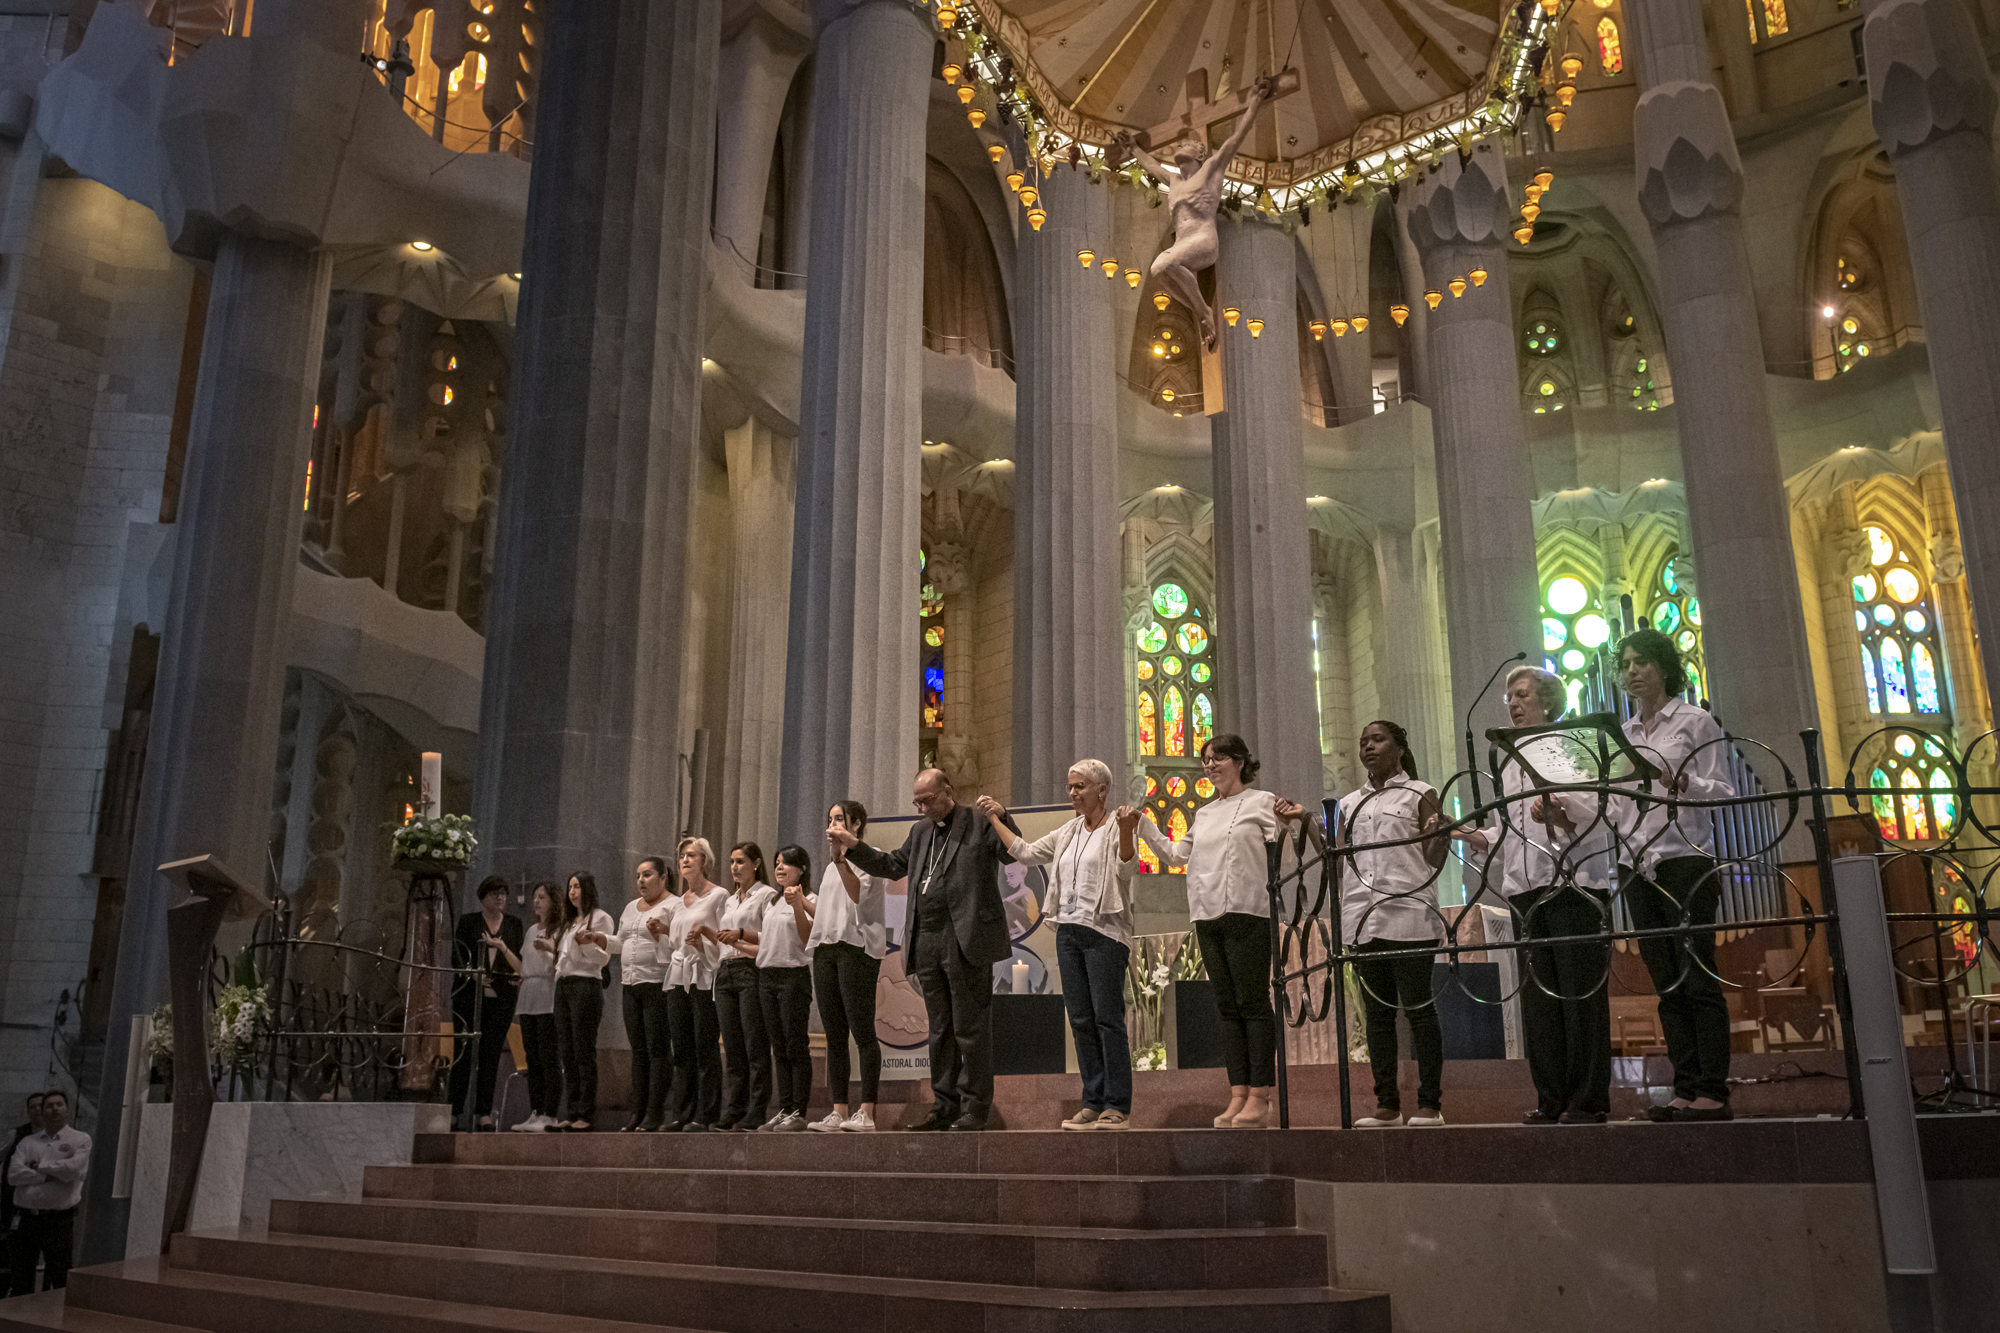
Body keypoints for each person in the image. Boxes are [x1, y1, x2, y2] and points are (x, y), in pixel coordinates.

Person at [1444, 666, 1617, 1124]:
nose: (1513, 704)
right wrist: (1475, 837)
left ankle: (1588, 1100)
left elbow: (1607, 810)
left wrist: (1561, 812)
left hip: (1574, 887)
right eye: (1509, 699)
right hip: (1527, 891)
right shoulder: (1509, 759)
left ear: (1549, 702)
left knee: (1579, 996)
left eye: (1521, 695)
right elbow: (1513, 830)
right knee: (1541, 1000)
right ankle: (1552, 1097)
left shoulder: (1570, 746)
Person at [1137, 735, 1309, 1128]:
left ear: (1240, 761)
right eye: (1206, 760)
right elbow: (1177, 855)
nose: (1211, 765)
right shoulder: (1204, 814)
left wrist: (1288, 825)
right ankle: (1237, 1094)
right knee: (1227, 1008)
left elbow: (1284, 854)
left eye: (1219, 758)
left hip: (1248, 910)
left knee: (1252, 1003)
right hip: (1208, 913)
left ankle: (1260, 1096)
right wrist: (1143, 825)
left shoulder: (1263, 802)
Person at [834, 769, 1019, 1131]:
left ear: (947, 790)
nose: (922, 808)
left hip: (966, 938)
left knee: (970, 1028)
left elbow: (1011, 854)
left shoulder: (978, 821)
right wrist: (852, 846)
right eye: (917, 802)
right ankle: (944, 1104)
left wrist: (1002, 816)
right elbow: (891, 865)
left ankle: (975, 1108)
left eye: (928, 800)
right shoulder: (919, 832)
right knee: (940, 1030)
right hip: (928, 939)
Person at [977, 760, 1140, 1130]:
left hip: (1104, 934)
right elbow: (1026, 852)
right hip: (1069, 932)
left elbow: (1127, 870)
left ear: (1102, 789)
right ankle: (1093, 1101)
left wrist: (1128, 832)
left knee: (1107, 1020)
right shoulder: (1068, 831)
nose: (1072, 793)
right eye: (1069, 787)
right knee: (1081, 1020)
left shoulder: (1118, 825)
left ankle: (1117, 1105)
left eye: (1079, 786)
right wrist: (996, 820)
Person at [1615, 626, 1736, 1122]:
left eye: (1641, 661)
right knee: (1666, 983)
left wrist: (1683, 781)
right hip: (1636, 866)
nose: (1632, 671)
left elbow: (1726, 790)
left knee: (1697, 979)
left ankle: (1712, 1089)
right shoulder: (1621, 736)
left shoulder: (1695, 720)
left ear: (1663, 666)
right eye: (1625, 664)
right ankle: (1684, 1088)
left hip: (1684, 859)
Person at [1338, 720, 1449, 1128]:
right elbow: (1338, 857)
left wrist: (1442, 835)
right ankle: (1386, 1103)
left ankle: (1430, 1103)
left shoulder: (1421, 793)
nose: (1368, 746)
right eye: (1363, 740)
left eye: (1378, 739)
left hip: (1409, 914)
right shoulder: (1349, 803)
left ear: (1399, 748)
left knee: (1419, 1010)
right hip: (1362, 916)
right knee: (1378, 1014)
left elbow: (1434, 858)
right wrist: (1305, 824)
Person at [1116, 75, 1274, 350]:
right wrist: (1133, 150)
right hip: (1182, 244)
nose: (1178, 146)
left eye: (1184, 144)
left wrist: (1255, 102)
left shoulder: (1211, 169)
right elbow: (1152, 167)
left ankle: (1203, 312)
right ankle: (1201, 310)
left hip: (1203, 240)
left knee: (1167, 265)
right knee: (1156, 269)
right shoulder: (1175, 182)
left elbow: (1236, 139)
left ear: (1200, 153)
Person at [806, 800, 885, 1133]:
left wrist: (841, 860)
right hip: (826, 950)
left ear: (856, 825)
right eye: (829, 820)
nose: (832, 826)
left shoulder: (870, 857)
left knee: (862, 1033)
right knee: (834, 1035)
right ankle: (839, 1110)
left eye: (839, 819)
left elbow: (856, 897)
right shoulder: (827, 868)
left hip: (858, 950)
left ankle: (866, 1110)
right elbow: (827, 911)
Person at [657, 838, 729, 1131]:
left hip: (704, 976)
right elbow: (673, 945)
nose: (685, 860)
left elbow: (723, 940)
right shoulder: (675, 903)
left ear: (705, 862)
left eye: (692, 855)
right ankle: (681, 1113)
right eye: (682, 856)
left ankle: (706, 1113)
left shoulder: (719, 896)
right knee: (682, 1048)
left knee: (705, 1046)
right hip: (677, 978)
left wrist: (703, 944)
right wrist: (660, 933)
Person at [449, 876, 525, 1130]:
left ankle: (483, 1112)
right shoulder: (468, 921)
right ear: (483, 898)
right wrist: (471, 973)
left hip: (501, 999)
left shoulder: (514, 924)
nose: (500, 898)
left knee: (490, 1055)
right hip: (470, 997)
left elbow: (519, 956)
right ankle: (454, 1109)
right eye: (495, 894)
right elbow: (457, 955)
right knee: (464, 1052)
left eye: (503, 894)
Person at [714, 842, 777, 1130]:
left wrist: (739, 934)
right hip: (725, 970)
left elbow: (771, 937)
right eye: (731, 862)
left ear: (756, 863)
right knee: (733, 1047)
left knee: (754, 1044)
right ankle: (734, 1107)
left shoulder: (766, 895)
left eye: (740, 861)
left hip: (750, 969)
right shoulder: (730, 899)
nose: (735, 867)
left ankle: (756, 1109)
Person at [755, 845, 817, 1131]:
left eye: (786, 864)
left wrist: (798, 904)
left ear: (801, 869)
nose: (779, 868)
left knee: (795, 1045)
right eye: (777, 863)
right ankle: (785, 1107)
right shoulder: (771, 902)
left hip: (793, 976)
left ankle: (799, 1113)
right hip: (767, 977)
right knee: (778, 1047)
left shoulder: (810, 899)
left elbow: (808, 940)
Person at [612, 856, 676, 1132]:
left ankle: (655, 1112)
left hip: (657, 984)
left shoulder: (673, 905)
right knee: (639, 1052)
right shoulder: (629, 908)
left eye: (648, 875)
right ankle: (637, 1111)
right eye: (639, 875)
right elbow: (621, 941)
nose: (641, 880)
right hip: (631, 985)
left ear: (663, 878)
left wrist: (661, 931)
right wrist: (600, 940)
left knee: (658, 1050)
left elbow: (679, 942)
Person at [6, 1089, 87, 1295]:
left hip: (57, 1220)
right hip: (26, 1220)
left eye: (59, 1104)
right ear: (42, 1111)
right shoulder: (27, 1142)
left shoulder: (80, 1139)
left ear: (67, 1109)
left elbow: (72, 1171)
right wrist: (49, 1175)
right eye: (49, 1106)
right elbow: (13, 1175)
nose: (54, 1109)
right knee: (21, 1276)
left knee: (60, 1275)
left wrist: (37, 1166)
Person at [550, 871, 613, 1131]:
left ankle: (585, 1114)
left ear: (587, 889)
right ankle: (571, 1109)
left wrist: (585, 945)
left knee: (583, 1051)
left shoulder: (600, 918)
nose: (572, 892)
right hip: (564, 986)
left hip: (586, 985)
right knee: (567, 1051)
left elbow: (604, 958)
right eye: (570, 887)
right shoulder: (569, 921)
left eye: (577, 886)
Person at [510, 882, 563, 1131]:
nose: (536, 901)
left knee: (548, 1056)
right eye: (535, 897)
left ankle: (550, 1113)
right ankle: (536, 1110)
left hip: (548, 992)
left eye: (542, 897)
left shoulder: (559, 928)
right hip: (529, 994)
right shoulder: (532, 929)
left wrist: (549, 948)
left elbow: (564, 960)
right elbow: (523, 964)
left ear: (553, 901)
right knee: (532, 1057)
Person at [0, 1093, 44, 1240]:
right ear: (28, 1112)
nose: (37, 1109)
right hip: (17, 1205)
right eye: (33, 1107)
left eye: (41, 1105)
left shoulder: (62, 1137)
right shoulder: (16, 1135)